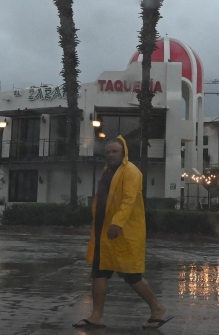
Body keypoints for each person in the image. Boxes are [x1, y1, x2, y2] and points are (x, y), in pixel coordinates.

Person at [73, 136, 172, 330]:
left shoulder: (131, 171)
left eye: (114, 151)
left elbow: (128, 200)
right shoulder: (108, 171)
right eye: (107, 152)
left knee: (132, 275)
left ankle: (157, 308)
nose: (110, 155)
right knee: (99, 273)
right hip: (104, 232)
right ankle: (97, 316)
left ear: (123, 153)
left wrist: (117, 223)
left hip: (123, 233)